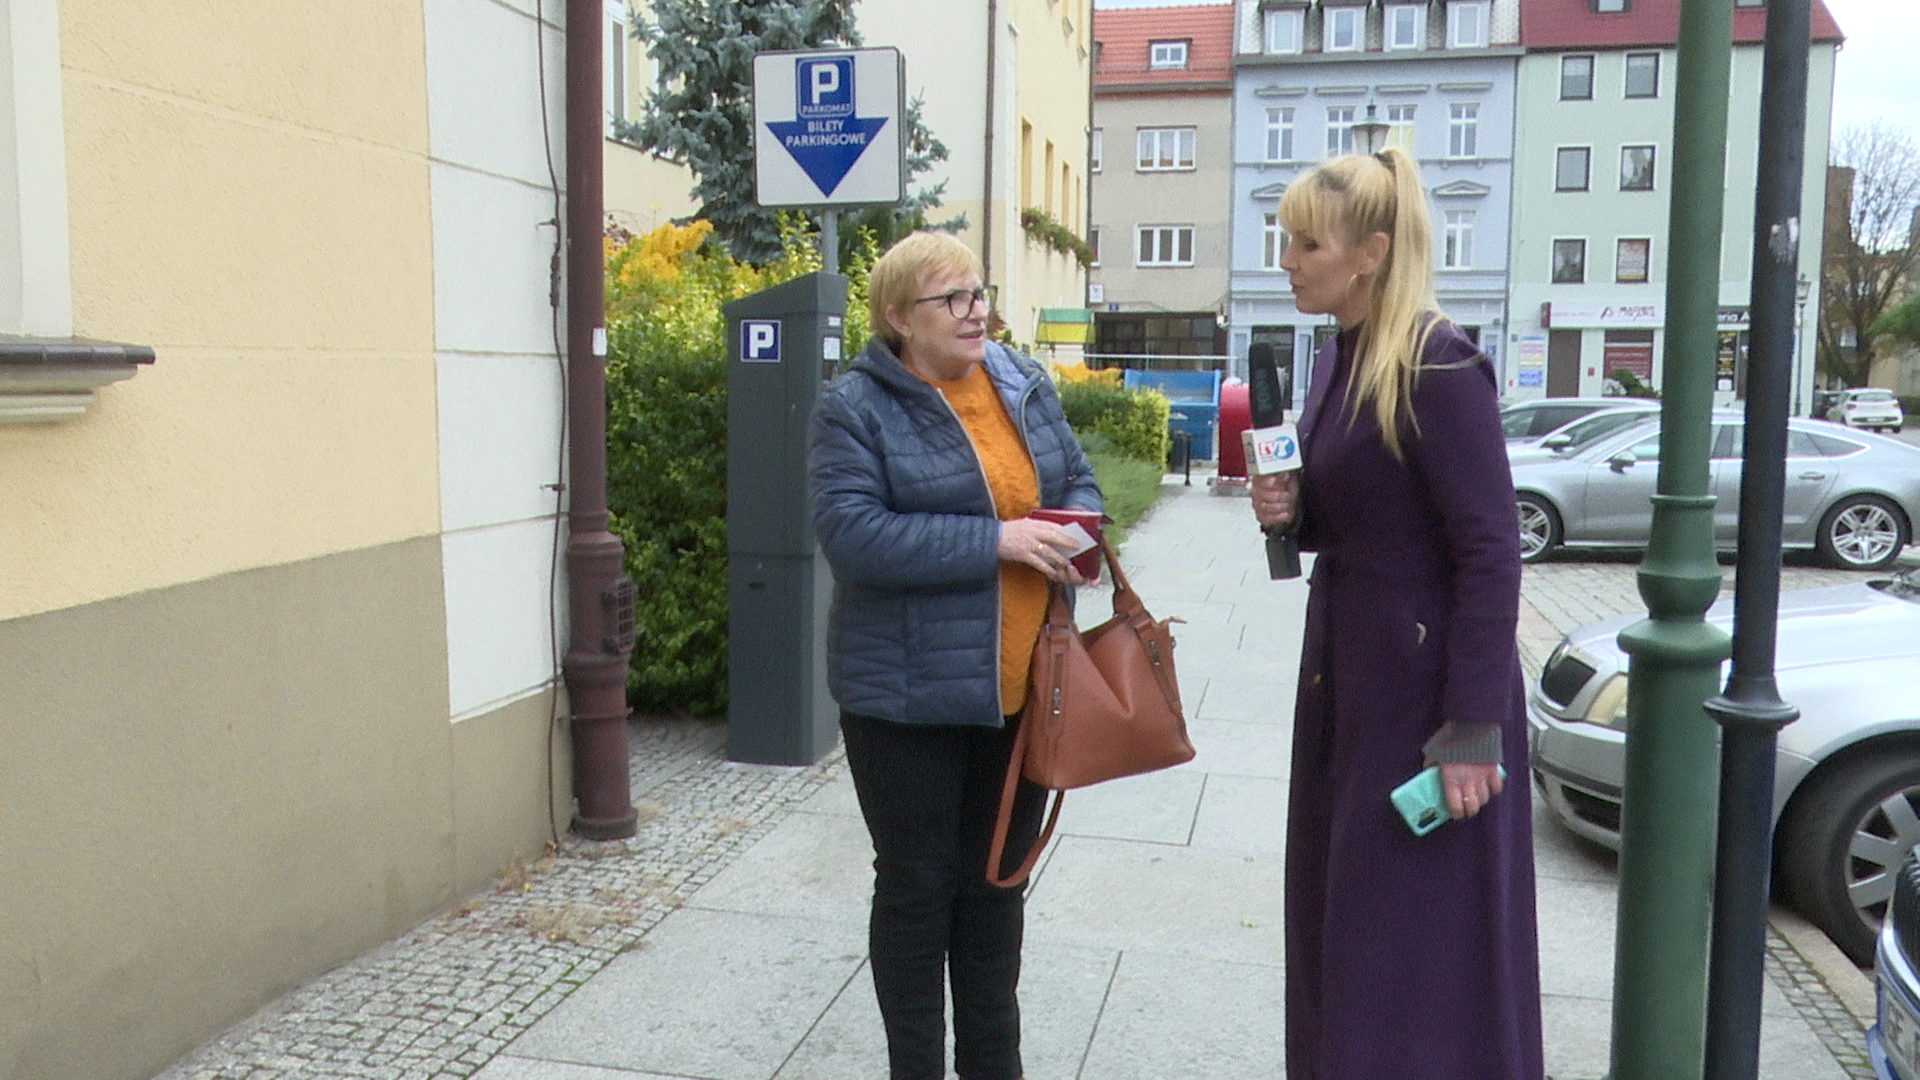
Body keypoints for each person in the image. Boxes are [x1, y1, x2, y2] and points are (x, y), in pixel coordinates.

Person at [1248, 148, 1545, 1079]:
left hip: (1428, 706)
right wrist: (1294, 511)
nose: (1288, 261)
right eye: (1287, 241)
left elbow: (1490, 551)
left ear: (1370, 253)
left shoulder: (1438, 362)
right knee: (1351, 932)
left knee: (1418, 952)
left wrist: (1471, 728)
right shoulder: (1343, 356)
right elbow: (1366, 516)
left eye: (1307, 244)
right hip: (1353, 685)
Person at [808, 230, 1103, 1080]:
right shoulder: (854, 407)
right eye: (954, 299)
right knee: (917, 889)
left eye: (980, 294)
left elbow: (1078, 480)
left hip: (1021, 690)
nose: (977, 313)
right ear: (900, 318)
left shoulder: (1020, 381)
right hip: (905, 701)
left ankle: (993, 1066)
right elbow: (853, 536)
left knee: (995, 888)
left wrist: (1072, 532)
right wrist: (997, 540)